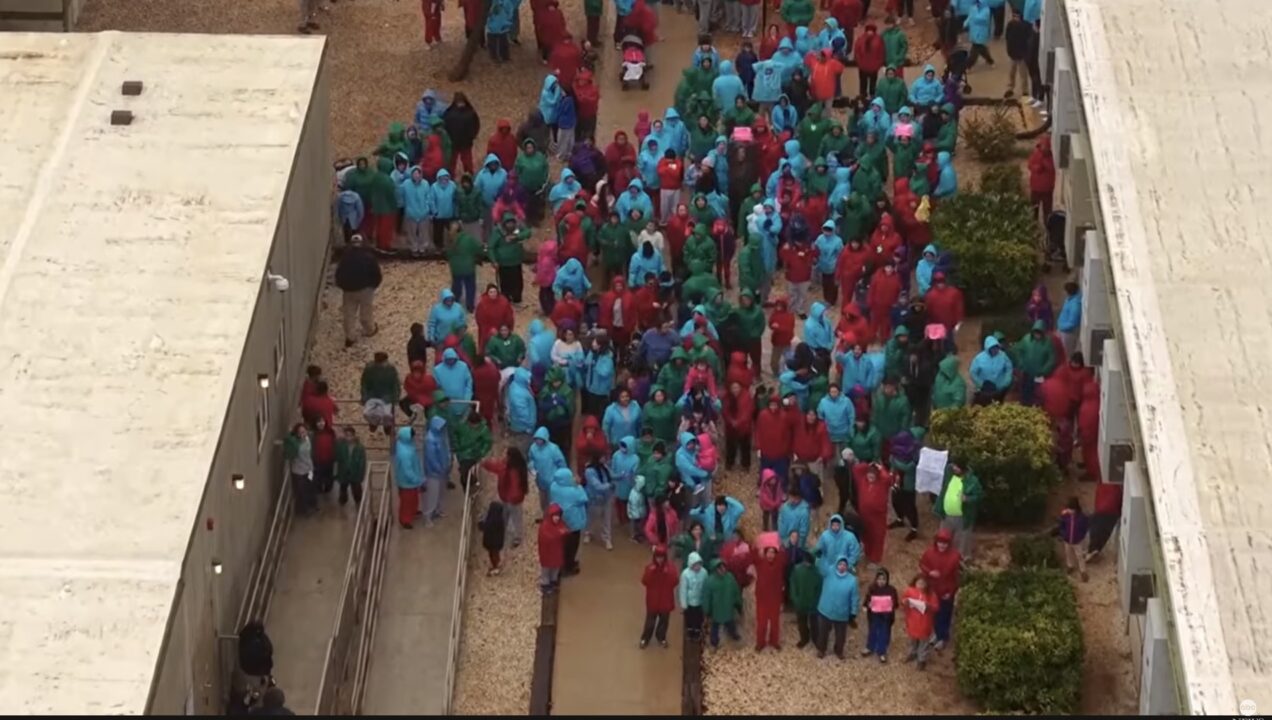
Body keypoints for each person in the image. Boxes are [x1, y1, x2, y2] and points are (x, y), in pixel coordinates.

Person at [334, 235, 382, 348]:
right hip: (366, 289)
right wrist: (373, 285)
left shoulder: (345, 258)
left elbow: (339, 274)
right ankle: (369, 329)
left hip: (349, 290)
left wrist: (343, 286)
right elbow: (376, 273)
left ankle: (350, 336)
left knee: (349, 313)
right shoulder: (369, 257)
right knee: (366, 311)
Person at [918, 527, 961, 650]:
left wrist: (951, 591)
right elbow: (922, 564)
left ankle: (943, 637)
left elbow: (957, 577)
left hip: (947, 591)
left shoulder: (955, 557)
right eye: (940, 542)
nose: (942, 545)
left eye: (945, 543)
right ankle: (936, 633)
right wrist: (929, 572)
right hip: (933, 589)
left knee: (945, 614)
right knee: (934, 613)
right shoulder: (929, 553)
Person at [482, 447, 529, 547]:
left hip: (512, 499)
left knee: (515, 517)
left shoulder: (510, 469)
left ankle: (517, 536)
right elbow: (493, 466)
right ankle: (509, 533)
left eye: (506, 455)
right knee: (509, 516)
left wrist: (484, 463)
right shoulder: (516, 467)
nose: (504, 456)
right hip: (510, 498)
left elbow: (515, 487)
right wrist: (485, 463)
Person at [815, 555, 859, 659]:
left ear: (847, 566)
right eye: (840, 564)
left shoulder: (852, 581)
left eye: (844, 564)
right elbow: (820, 566)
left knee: (841, 636)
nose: (842, 566)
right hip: (825, 610)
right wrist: (819, 556)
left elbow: (854, 597)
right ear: (836, 564)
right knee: (822, 632)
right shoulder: (829, 572)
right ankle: (821, 649)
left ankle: (839, 651)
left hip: (841, 613)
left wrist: (853, 611)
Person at [550, 467, 589, 575]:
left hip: (561, 520)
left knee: (563, 544)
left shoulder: (554, 486)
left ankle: (563, 564)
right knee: (572, 545)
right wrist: (578, 485)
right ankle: (569, 566)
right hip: (573, 521)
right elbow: (584, 498)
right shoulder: (573, 491)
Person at [640, 546, 680, 648]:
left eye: (661, 557)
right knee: (650, 622)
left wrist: (668, 574)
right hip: (653, 600)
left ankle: (661, 637)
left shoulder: (671, 568)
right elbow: (644, 581)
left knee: (664, 622)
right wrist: (651, 572)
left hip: (665, 600)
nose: (660, 559)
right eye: (658, 557)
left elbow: (675, 581)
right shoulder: (649, 568)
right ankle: (645, 638)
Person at [753, 534, 787, 651]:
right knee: (761, 623)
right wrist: (757, 545)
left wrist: (779, 543)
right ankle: (760, 642)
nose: (771, 554)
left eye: (773, 552)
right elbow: (753, 554)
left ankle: (774, 641)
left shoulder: (779, 564)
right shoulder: (760, 563)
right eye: (769, 552)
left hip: (775, 598)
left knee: (774, 622)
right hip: (762, 599)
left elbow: (783, 554)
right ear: (765, 553)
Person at [703, 558, 743, 649]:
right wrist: (707, 610)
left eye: (723, 567)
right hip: (717, 609)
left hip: (728, 607)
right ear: (715, 569)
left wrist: (738, 602)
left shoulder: (730, 577)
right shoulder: (710, 581)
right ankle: (714, 642)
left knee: (730, 624)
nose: (723, 570)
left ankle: (733, 634)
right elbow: (707, 597)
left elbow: (735, 590)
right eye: (720, 568)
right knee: (715, 627)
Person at [901, 574, 938, 669]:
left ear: (926, 584)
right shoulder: (910, 591)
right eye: (919, 583)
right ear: (915, 583)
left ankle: (922, 659)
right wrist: (905, 602)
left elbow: (936, 607)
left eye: (923, 583)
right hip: (912, 621)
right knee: (912, 640)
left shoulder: (931, 594)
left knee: (923, 642)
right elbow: (903, 599)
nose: (920, 585)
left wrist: (928, 606)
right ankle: (913, 653)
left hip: (925, 623)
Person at [862, 567, 898, 662]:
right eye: (879, 579)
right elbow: (867, 601)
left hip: (886, 617)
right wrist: (867, 605)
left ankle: (882, 651)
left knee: (884, 633)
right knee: (872, 631)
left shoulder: (891, 590)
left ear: (887, 580)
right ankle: (870, 647)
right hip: (874, 616)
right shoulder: (872, 588)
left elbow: (896, 604)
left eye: (884, 579)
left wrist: (891, 604)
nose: (881, 581)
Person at [788, 549, 821, 648]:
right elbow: (793, 585)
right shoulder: (797, 570)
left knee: (814, 624)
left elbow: (819, 589)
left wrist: (816, 601)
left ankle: (815, 639)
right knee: (801, 623)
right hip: (800, 602)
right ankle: (804, 639)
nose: (807, 564)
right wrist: (794, 598)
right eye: (806, 561)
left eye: (809, 562)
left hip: (813, 604)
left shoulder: (817, 573)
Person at [392, 427, 424, 528]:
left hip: (411, 481)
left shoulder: (404, 445)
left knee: (413, 499)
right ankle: (405, 520)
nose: (414, 438)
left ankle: (413, 512)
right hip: (407, 482)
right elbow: (407, 471)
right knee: (406, 502)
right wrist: (418, 480)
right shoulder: (404, 453)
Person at [584, 455, 616, 550]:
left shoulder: (604, 467)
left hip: (607, 497)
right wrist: (609, 485)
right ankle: (588, 533)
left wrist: (623, 475)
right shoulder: (589, 471)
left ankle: (607, 539)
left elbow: (612, 475)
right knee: (591, 518)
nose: (604, 459)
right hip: (594, 498)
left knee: (607, 519)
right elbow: (596, 485)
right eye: (602, 457)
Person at [969, 336, 1013, 402]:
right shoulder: (979, 358)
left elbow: (1009, 368)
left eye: (996, 348)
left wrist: (1006, 382)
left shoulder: (1003, 356)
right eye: (993, 348)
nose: (995, 350)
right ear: (988, 348)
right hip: (985, 390)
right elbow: (973, 372)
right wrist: (981, 384)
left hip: (999, 388)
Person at [1056, 496, 1090, 581]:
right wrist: (1063, 534)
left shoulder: (1082, 517)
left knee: (1080, 556)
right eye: (1069, 509)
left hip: (1077, 541)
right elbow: (1062, 526)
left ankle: (1083, 571)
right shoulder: (1065, 516)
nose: (1070, 511)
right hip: (1067, 540)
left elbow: (1085, 528)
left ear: (1076, 509)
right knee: (1068, 554)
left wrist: (1081, 536)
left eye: (1072, 509)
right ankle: (1070, 566)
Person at [538, 503, 570, 593]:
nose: (557, 518)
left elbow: (565, 531)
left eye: (558, 516)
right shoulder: (544, 527)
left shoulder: (560, 524)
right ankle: (545, 585)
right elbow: (548, 537)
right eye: (555, 516)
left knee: (555, 568)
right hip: (547, 553)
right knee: (546, 570)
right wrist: (560, 533)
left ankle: (553, 582)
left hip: (556, 552)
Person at [679, 552, 709, 638]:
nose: (697, 567)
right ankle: (690, 631)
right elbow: (683, 589)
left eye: (699, 564)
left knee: (698, 617)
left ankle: (697, 631)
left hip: (700, 601)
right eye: (695, 565)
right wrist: (684, 603)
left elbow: (705, 587)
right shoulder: (685, 574)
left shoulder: (704, 573)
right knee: (690, 618)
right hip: (690, 602)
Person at [334, 427, 367, 506]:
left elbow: (362, 462)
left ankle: (358, 503)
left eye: (350, 435)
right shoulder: (340, 445)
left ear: (354, 436)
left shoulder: (359, 447)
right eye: (346, 435)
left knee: (356, 490)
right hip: (344, 471)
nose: (348, 438)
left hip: (355, 472)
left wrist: (361, 474)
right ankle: (342, 501)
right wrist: (336, 472)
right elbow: (337, 458)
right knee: (343, 488)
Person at [853, 24, 886, 97]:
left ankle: (872, 96)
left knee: (872, 84)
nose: (870, 32)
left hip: (873, 67)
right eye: (868, 30)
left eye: (871, 31)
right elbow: (857, 51)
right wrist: (859, 62)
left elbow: (881, 53)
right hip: (863, 66)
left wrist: (878, 64)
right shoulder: (861, 39)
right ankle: (863, 97)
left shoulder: (879, 40)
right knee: (863, 84)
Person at [964, 0, 995, 68]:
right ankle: (990, 61)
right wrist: (966, 23)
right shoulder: (973, 7)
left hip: (981, 32)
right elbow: (970, 16)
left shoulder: (987, 10)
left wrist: (973, 18)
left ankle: (968, 65)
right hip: (974, 31)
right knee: (981, 48)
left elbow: (982, 19)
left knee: (975, 50)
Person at [479, 501, 507, 575]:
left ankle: (495, 567)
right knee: (495, 554)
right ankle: (496, 567)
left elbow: (483, 527)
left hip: (490, 542)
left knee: (492, 555)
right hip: (496, 543)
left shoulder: (490, 520)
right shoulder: (499, 520)